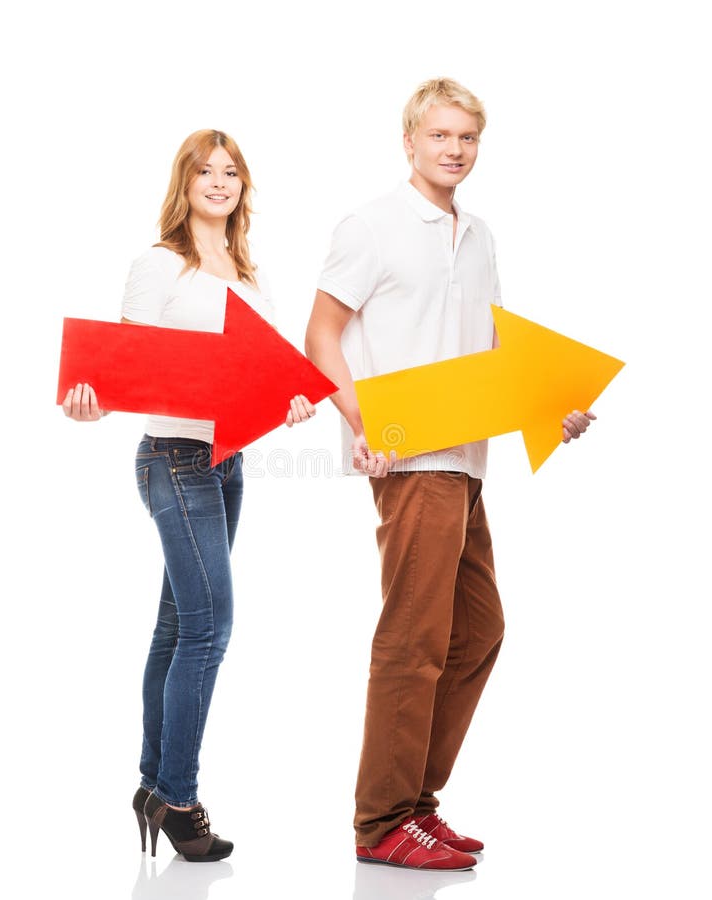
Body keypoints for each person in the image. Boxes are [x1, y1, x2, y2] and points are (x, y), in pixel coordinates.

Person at [305, 78, 595, 872]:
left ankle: (415, 805)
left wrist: (551, 409)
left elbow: (494, 356)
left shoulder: (482, 234)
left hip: (467, 459)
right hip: (410, 455)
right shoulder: (371, 226)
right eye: (439, 136)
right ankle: (382, 821)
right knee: (414, 638)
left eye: (466, 137)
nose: (454, 150)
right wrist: (365, 425)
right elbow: (320, 336)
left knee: (476, 630)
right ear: (409, 142)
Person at [63, 129, 315, 862]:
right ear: (184, 183)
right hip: (174, 460)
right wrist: (93, 400)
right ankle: (178, 796)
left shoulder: (247, 273)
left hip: (227, 462)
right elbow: (129, 367)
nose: (218, 181)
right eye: (204, 170)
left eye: (230, 171)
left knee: (178, 629)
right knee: (210, 629)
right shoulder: (159, 267)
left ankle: (153, 783)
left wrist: (290, 403)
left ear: (243, 185)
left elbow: (257, 379)